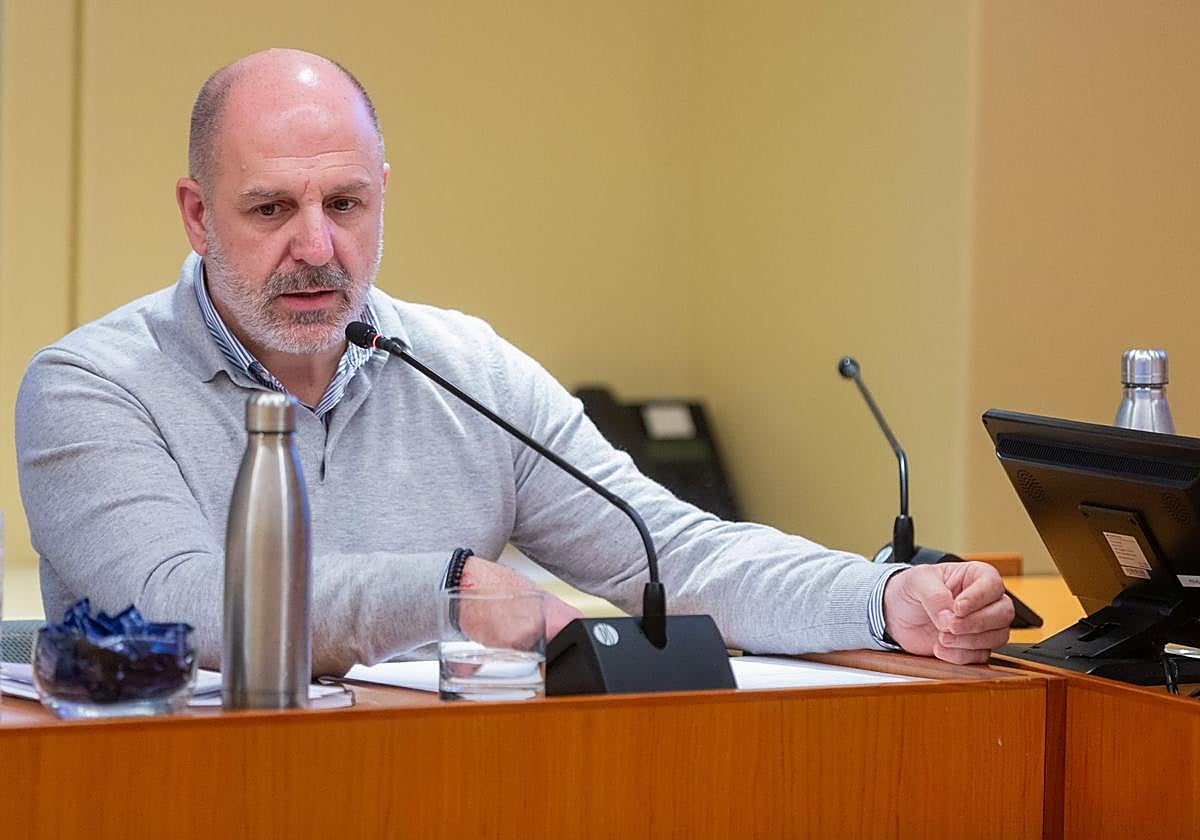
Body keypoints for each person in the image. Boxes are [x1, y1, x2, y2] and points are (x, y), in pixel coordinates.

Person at [14, 49, 1013, 676]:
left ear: (383, 198)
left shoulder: (466, 368)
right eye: (272, 208)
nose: (317, 247)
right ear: (197, 215)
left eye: (347, 205)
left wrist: (881, 600)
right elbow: (175, 604)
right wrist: (449, 589)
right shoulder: (91, 386)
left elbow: (674, 556)